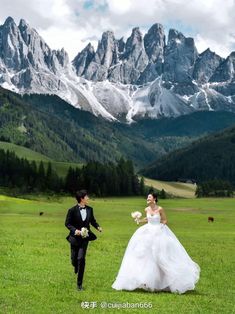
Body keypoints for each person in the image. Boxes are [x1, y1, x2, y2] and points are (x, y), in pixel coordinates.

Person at [112, 192, 200, 294]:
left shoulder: (160, 209)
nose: (147, 199)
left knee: (161, 256)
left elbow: (165, 220)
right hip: (147, 232)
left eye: (149, 197)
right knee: (146, 256)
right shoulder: (146, 209)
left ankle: (164, 282)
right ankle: (146, 281)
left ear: (154, 199)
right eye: (147, 197)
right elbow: (148, 219)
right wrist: (139, 220)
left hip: (159, 232)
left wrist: (160, 227)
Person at [65, 190, 102, 291]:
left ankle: (79, 285)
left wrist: (98, 227)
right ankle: (75, 265)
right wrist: (75, 231)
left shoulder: (90, 209)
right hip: (74, 238)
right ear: (81, 198)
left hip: (85, 238)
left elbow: (92, 221)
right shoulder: (72, 210)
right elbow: (67, 224)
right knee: (74, 260)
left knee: (81, 259)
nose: (88, 198)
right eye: (87, 197)